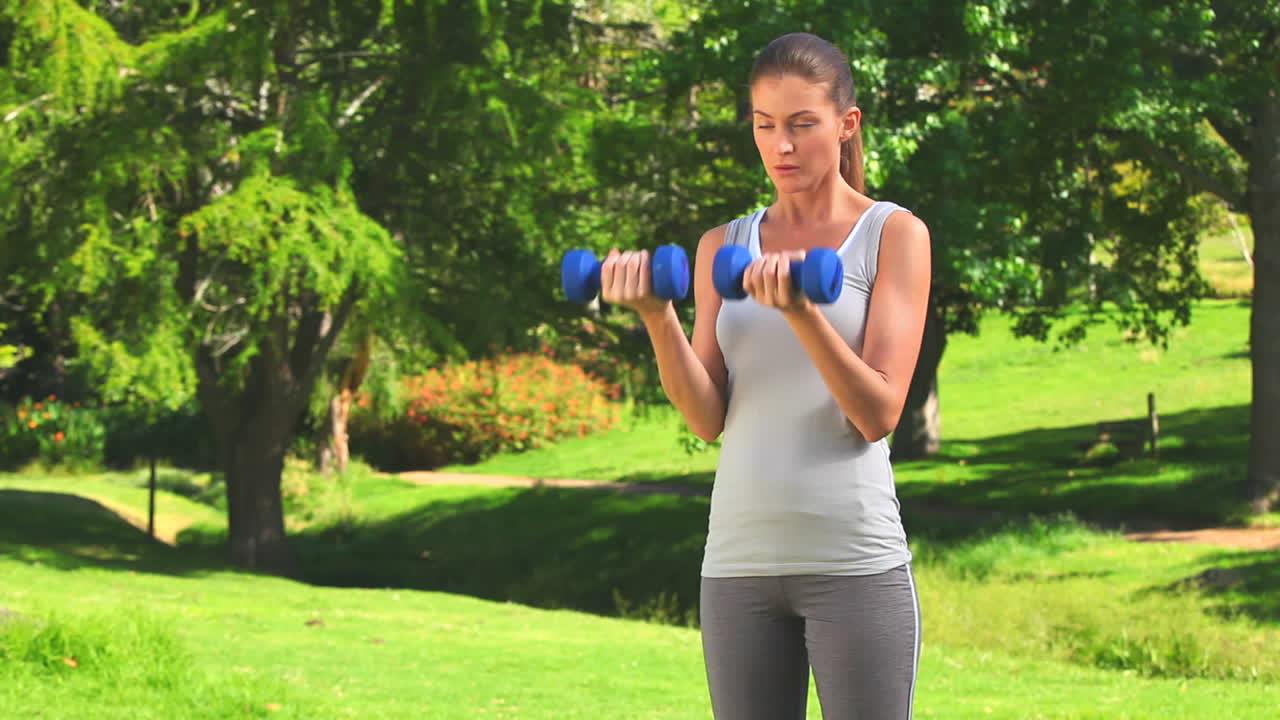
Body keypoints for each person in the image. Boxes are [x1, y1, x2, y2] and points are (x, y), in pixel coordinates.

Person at [599, 31, 930, 719]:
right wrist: (657, 318)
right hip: (738, 565)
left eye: (803, 125)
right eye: (765, 126)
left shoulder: (892, 235)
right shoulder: (723, 245)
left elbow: (878, 414)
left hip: (854, 562)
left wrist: (804, 315)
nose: (782, 146)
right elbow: (705, 417)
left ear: (847, 124)